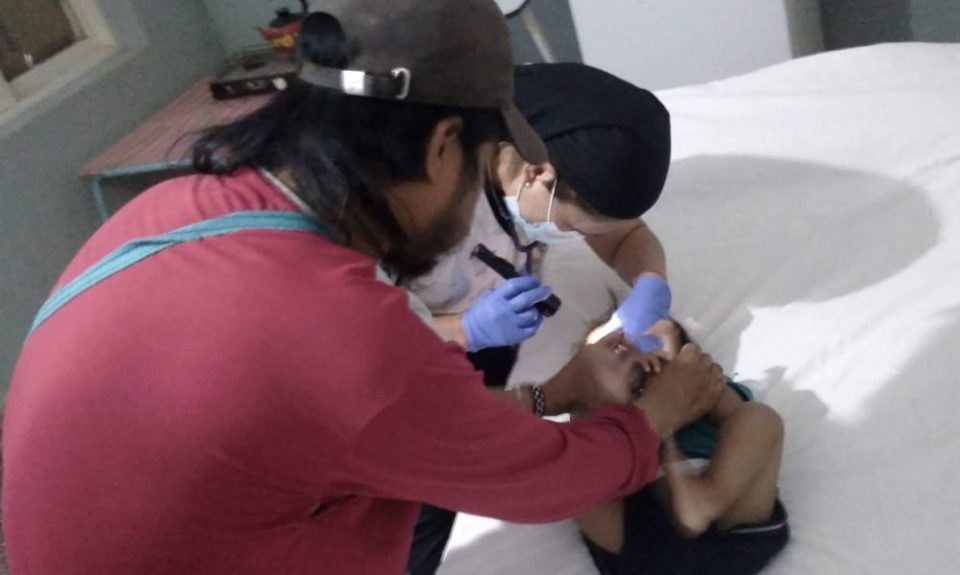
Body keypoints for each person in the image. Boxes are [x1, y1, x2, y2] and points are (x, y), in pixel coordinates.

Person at [0, 2, 725, 574]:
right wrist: (659, 412)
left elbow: (380, 422)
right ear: (442, 146)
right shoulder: (346, 337)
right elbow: (551, 480)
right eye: (482, 162)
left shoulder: (176, 207)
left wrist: (560, 390)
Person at [406, 63, 789, 575]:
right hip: (409, 345)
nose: (628, 343)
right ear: (538, 173)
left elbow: (624, 235)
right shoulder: (419, 197)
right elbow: (361, 339)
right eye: (576, 227)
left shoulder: (563, 173)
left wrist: (650, 283)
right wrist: (465, 331)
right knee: (415, 515)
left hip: (494, 344)